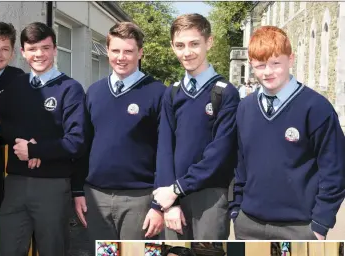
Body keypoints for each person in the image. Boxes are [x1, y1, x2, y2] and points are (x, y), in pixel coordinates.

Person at [231, 26, 345, 240]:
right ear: (252, 65)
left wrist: (321, 223)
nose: (267, 72)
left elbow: (335, 169)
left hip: (299, 227)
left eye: (276, 63)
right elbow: (239, 163)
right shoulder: (245, 108)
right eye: (260, 65)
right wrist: (236, 208)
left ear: (290, 59)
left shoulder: (316, 108)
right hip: (248, 223)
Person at [0, 22, 87, 256]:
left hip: (52, 186)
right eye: (32, 49)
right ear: (23, 53)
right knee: (7, 253)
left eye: (45, 48)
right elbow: (0, 121)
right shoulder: (17, 86)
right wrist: (23, 143)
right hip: (15, 183)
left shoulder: (71, 89)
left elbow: (76, 141)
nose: (39, 54)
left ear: (55, 50)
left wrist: (37, 151)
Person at [71, 22, 165, 240]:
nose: (121, 57)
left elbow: (165, 152)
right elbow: (83, 145)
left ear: (140, 52)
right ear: (108, 51)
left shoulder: (158, 93)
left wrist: (158, 205)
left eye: (128, 51)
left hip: (139, 199)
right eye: (115, 50)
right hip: (95, 197)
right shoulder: (94, 92)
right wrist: (78, 190)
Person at [153, 14, 239, 240]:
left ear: (209, 42)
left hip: (210, 197)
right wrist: (169, 201)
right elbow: (164, 148)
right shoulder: (171, 93)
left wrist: (177, 189)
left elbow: (219, 153)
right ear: (172, 47)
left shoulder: (224, 92)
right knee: (175, 254)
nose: (187, 52)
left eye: (194, 44)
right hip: (174, 199)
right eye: (180, 45)